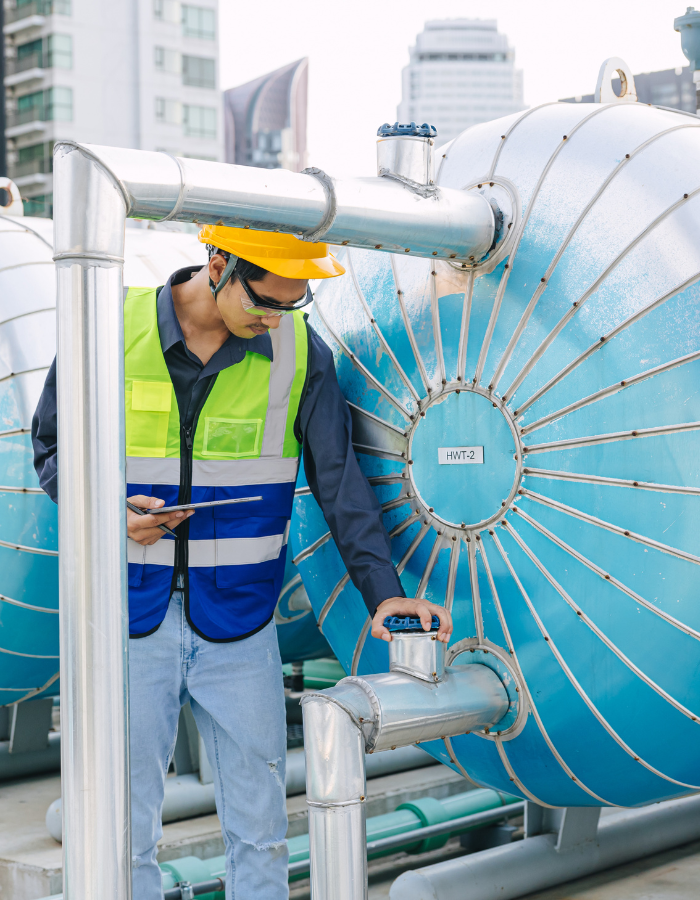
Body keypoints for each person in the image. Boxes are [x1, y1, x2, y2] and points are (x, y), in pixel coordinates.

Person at [32, 226, 453, 900]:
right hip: (126, 616)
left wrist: (383, 593)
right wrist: (110, 517)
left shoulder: (299, 355)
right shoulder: (106, 329)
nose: (274, 319)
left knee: (260, 829)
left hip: (240, 622)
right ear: (219, 265)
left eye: (293, 305)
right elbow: (52, 449)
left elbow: (339, 481)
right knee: (120, 830)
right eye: (264, 302)